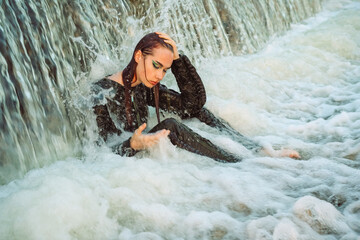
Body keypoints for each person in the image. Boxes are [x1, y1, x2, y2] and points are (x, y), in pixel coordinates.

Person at [91, 32, 299, 162]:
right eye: (156, 65)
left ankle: (255, 150)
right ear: (138, 56)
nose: (159, 75)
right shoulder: (102, 92)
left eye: (165, 70)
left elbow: (192, 105)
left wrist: (178, 60)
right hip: (125, 163)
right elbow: (103, 152)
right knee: (170, 125)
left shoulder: (144, 85)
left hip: (144, 155)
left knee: (199, 113)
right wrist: (133, 145)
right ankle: (240, 163)